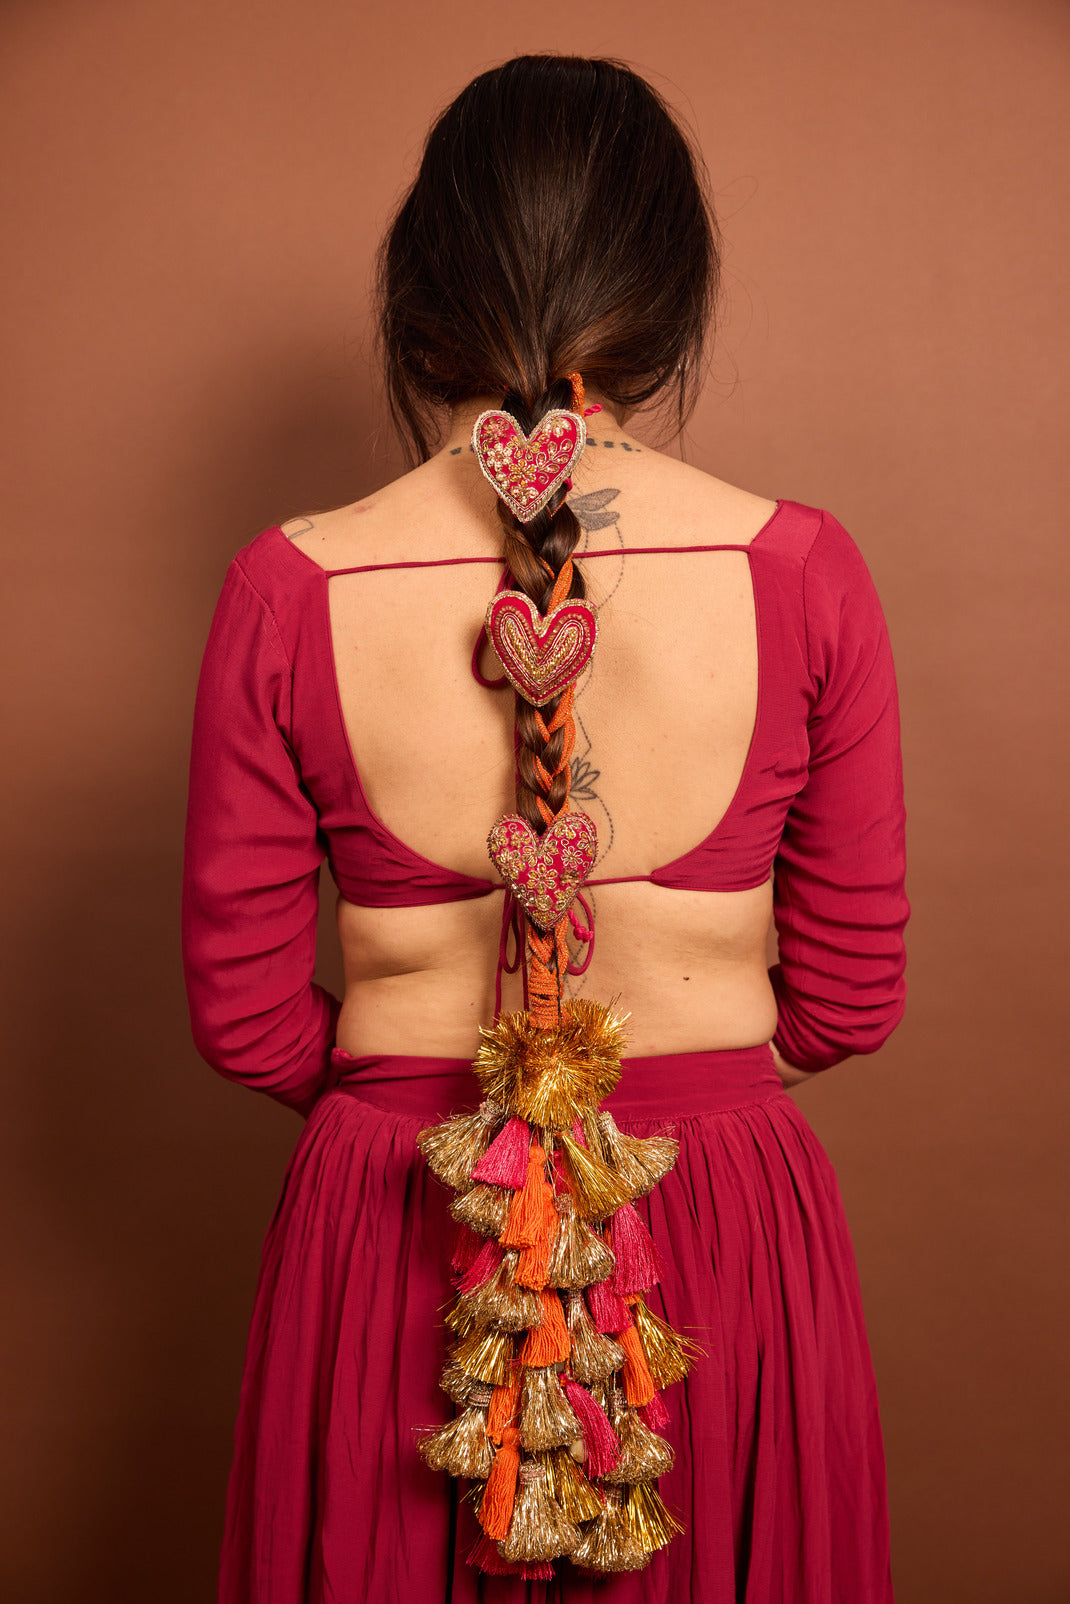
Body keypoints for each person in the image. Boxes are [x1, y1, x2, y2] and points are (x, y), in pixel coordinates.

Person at [182, 52, 909, 1604]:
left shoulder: (289, 587)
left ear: (421, 296)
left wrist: (425, 1107)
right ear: (670, 302)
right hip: (715, 1223)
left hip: (402, 1223)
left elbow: (245, 1022)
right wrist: (669, 1100)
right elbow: (847, 1001)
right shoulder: (802, 572)